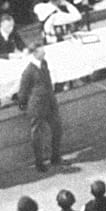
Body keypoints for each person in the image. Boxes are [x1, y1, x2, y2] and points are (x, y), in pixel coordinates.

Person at [17, 44, 62, 172]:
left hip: (49, 102)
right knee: (37, 135)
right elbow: (23, 91)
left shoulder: (44, 64)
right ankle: (39, 162)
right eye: (41, 51)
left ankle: (55, 157)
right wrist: (24, 104)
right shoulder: (29, 71)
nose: (44, 52)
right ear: (34, 53)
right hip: (37, 106)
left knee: (57, 128)